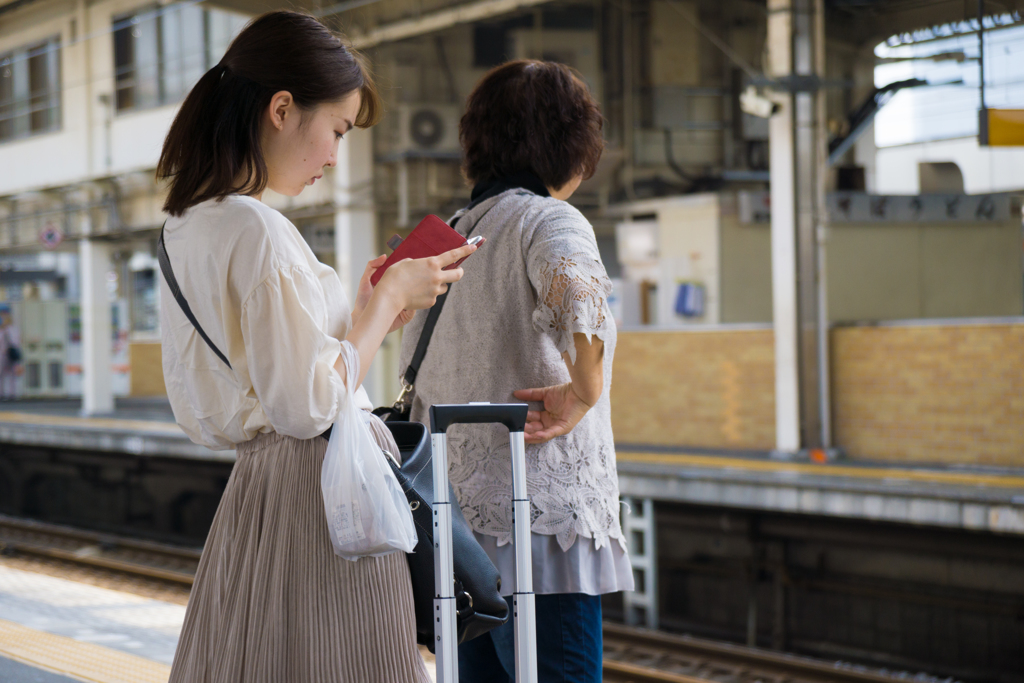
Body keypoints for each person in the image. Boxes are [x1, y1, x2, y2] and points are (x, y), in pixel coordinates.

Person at [156, 12, 476, 682]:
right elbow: (306, 406)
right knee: (346, 659)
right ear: (281, 108)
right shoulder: (259, 231)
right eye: (335, 129)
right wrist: (387, 303)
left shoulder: (184, 227)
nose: (335, 156)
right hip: (325, 492)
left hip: (258, 490)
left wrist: (362, 318)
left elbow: (267, 383)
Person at [398, 60, 633, 683]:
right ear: (571, 146)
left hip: (457, 544)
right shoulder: (546, 219)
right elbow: (580, 302)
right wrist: (584, 390)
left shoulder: (439, 240)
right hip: (538, 536)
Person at [0, 308, 20, 400]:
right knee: (1, 374)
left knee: (13, 374)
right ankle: (2, 393)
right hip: (2, 354)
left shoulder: (13, 329)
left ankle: (12, 393)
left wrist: (6, 331)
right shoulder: (1, 330)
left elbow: (16, 342)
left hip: (11, 353)